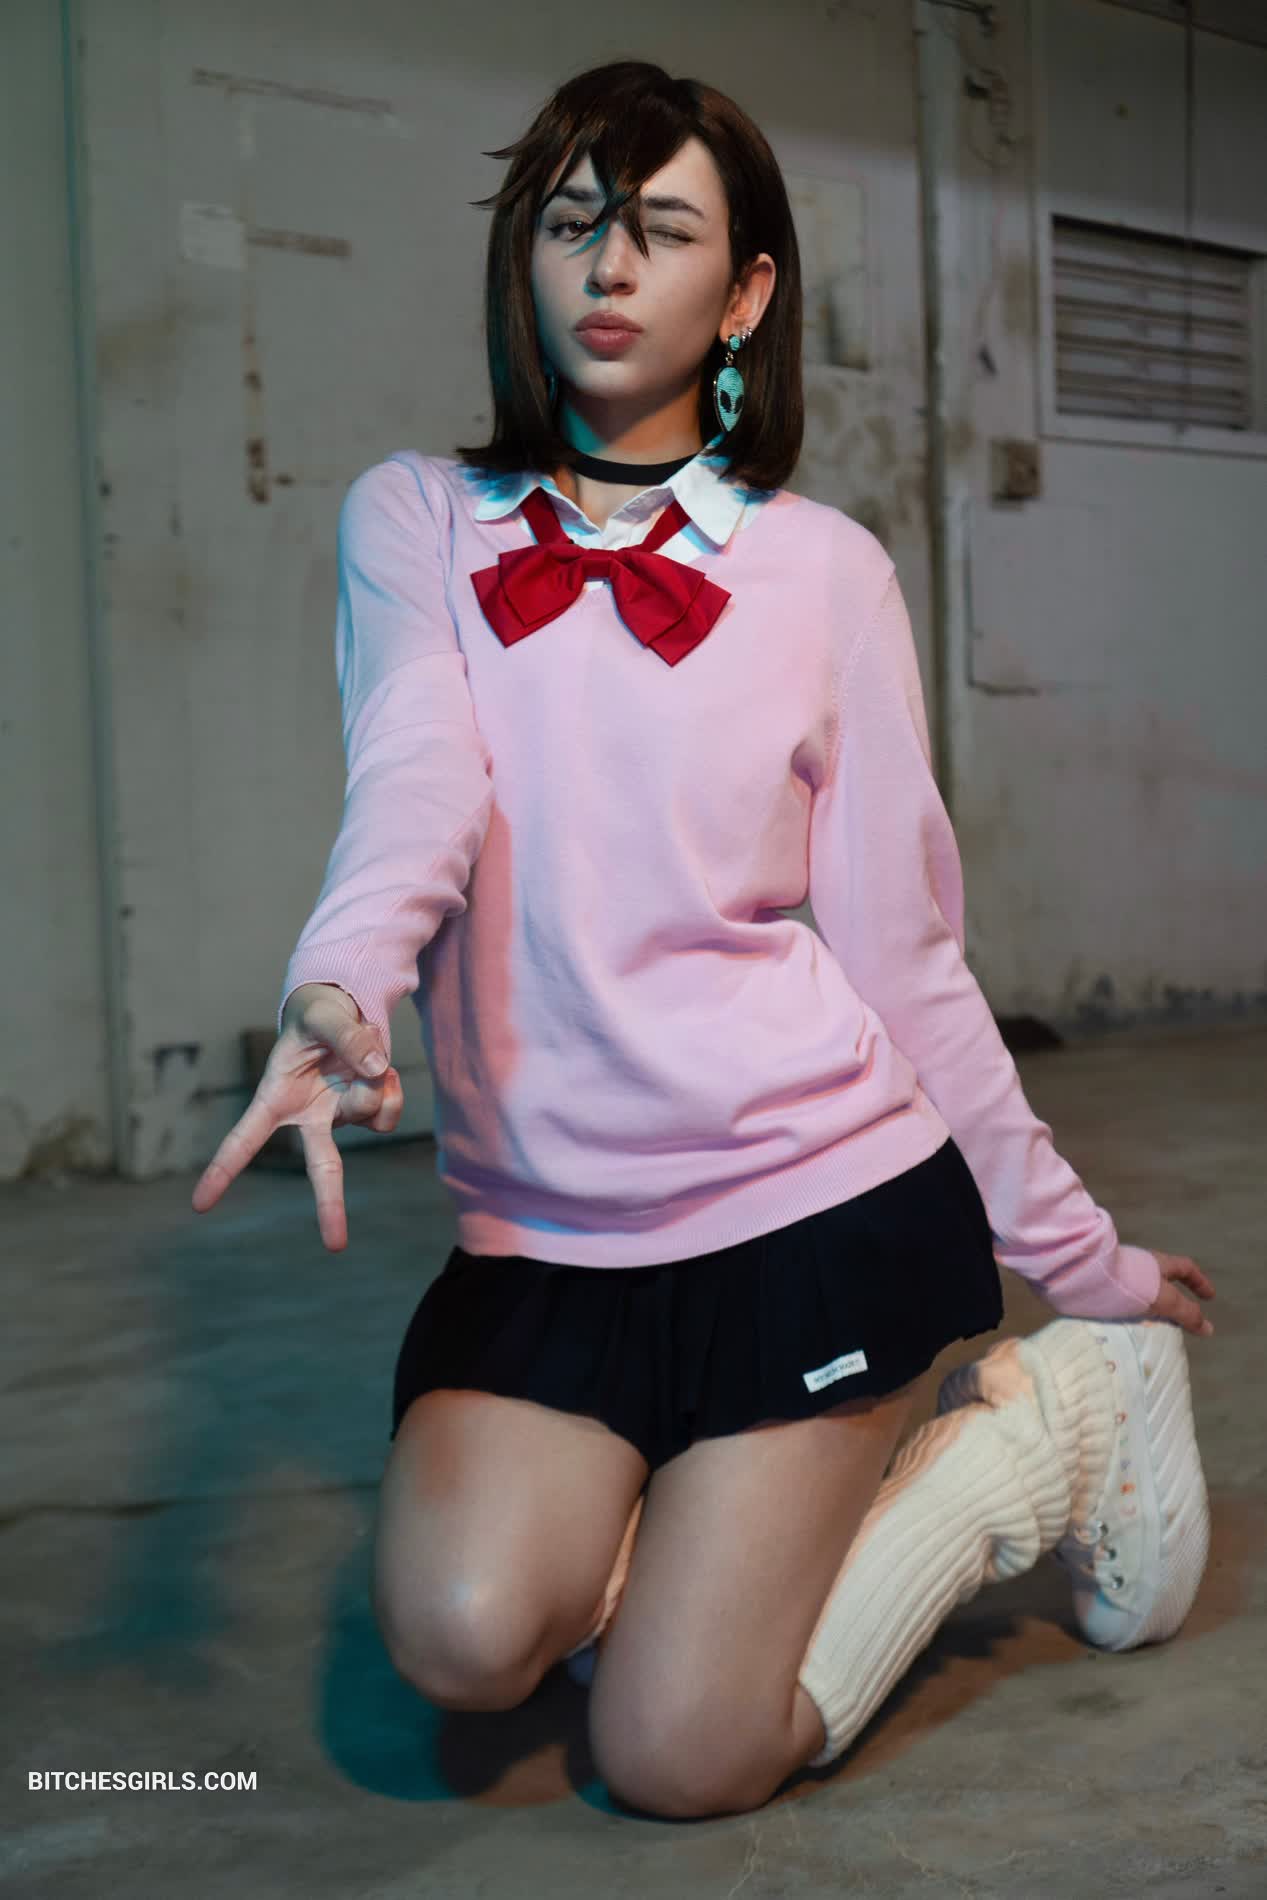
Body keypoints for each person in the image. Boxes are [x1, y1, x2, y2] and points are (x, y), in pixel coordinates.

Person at [191, 60, 1217, 1820]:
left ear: (742, 295)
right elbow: (418, 777)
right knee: (463, 1636)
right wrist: (337, 982)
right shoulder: (416, 519)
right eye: (574, 222)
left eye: (661, 231)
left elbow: (906, 954)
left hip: (809, 1210)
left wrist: (1078, 1252)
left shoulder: (825, 573)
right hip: (549, 1237)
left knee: (678, 1752)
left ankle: (1049, 1432)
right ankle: (684, 1529)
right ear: (525, 258)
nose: (608, 266)